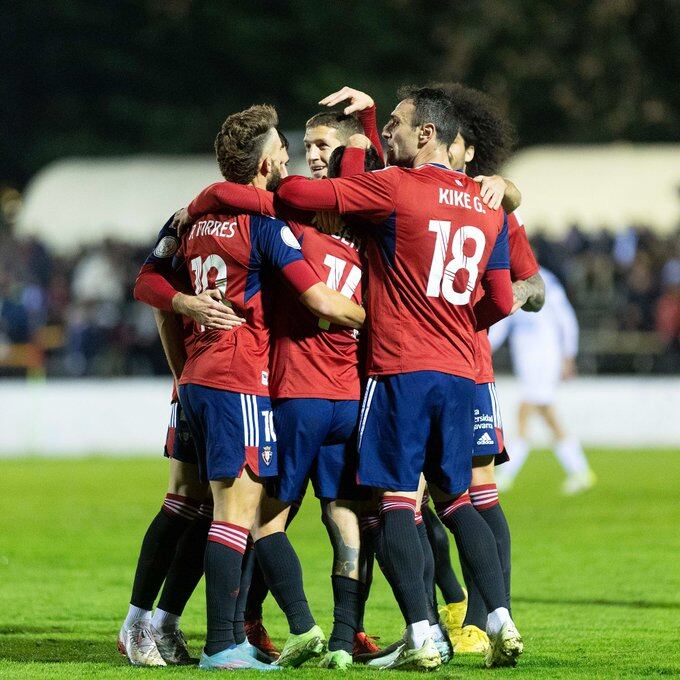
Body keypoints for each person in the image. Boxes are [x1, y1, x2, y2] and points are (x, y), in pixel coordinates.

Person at [276, 85, 522, 669]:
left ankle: (424, 635)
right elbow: (503, 299)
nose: (389, 135)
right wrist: (459, 323)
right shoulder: (488, 202)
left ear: (428, 134)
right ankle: (500, 619)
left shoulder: (395, 187)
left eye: (398, 127)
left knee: (393, 504)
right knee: (459, 501)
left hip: (400, 369)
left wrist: (291, 176)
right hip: (462, 372)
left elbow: (301, 190)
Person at [136, 103, 366, 671]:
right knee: (237, 516)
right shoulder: (267, 221)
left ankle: (152, 623)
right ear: (265, 164)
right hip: (241, 379)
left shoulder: (189, 218)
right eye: (285, 156)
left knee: (190, 504)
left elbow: (146, 281)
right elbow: (317, 299)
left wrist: (182, 319)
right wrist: (376, 318)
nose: (293, 165)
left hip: (194, 378)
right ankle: (224, 643)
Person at [118, 219, 241, 667]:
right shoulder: (189, 219)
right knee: (184, 499)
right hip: (201, 384)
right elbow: (149, 288)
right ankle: (135, 623)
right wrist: (180, 370)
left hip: (243, 386)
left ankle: (166, 622)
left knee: (213, 510)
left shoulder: (270, 212)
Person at [489, 267, 595, 494]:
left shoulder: (546, 280)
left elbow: (565, 318)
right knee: (546, 414)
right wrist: (484, 348)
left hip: (545, 357)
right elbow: (502, 321)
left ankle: (506, 475)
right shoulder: (511, 280)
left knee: (526, 412)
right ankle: (580, 471)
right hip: (528, 360)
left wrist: (568, 354)